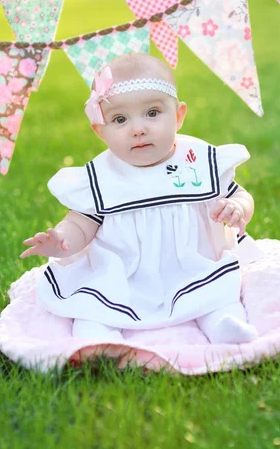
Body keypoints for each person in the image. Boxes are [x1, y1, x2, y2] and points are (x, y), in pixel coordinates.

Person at [21, 53, 259, 344]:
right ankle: (97, 340)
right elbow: (82, 222)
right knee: (95, 306)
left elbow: (241, 195)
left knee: (218, 291)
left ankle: (225, 323)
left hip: (194, 264)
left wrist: (238, 208)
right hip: (124, 273)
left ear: (178, 116)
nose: (138, 128)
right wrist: (62, 240)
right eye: (120, 119)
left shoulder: (199, 160)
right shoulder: (101, 176)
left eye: (152, 113)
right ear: (101, 130)